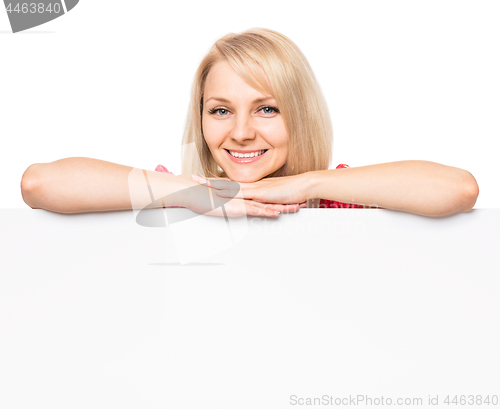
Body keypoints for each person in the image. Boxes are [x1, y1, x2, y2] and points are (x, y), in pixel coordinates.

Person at [20, 27, 479, 218]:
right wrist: (197, 195)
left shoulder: (335, 198)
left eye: (267, 108)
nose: (240, 132)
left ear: (301, 115)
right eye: (220, 110)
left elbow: (457, 190)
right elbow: (40, 184)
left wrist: (306, 184)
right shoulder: (183, 196)